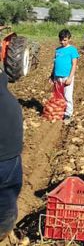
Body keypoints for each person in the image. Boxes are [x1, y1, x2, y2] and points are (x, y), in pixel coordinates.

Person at [0, 69, 23, 242]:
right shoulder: (10, 100)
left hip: (7, 157)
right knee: (7, 196)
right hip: (11, 157)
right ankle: (4, 230)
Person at [50, 29, 79, 124]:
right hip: (57, 76)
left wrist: (70, 77)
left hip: (67, 76)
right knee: (58, 95)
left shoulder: (72, 50)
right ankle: (59, 111)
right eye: (61, 40)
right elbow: (55, 64)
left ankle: (68, 114)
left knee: (67, 96)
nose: (63, 42)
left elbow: (74, 64)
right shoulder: (57, 50)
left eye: (65, 40)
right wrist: (52, 76)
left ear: (69, 39)